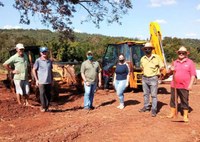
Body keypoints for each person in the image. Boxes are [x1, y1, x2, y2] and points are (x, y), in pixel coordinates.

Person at [167, 46, 196, 122]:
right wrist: (170, 69)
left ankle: (185, 115)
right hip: (174, 85)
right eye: (180, 53)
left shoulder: (190, 62)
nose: (181, 54)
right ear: (178, 53)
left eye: (183, 53)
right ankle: (172, 113)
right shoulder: (175, 62)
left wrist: (190, 85)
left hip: (185, 85)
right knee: (173, 100)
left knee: (184, 100)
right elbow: (169, 73)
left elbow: (193, 75)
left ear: (186, 54)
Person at [139, 42, 164, 117]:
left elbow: (161, 67)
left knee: (153, 95)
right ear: (144, 50)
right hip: (145, 78)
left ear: (151, 49)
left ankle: (154, 110)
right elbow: (141, 67)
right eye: (146, 49)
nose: (147, 50)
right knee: (145, 94)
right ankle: (146, 107)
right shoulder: (142, 58)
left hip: (153, 78)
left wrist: (160, 76)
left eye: (149, 48)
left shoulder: (157, 57)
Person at [32, 47, 53, 112]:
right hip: (41, 81)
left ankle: (47, 107)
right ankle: (43, 107)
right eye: (43, 52)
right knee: (42, 93)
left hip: (49, 81)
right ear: (40, 53)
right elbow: (34, 69)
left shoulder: (49, 61)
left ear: (47, 52)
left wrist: (52, 79)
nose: (44, 53)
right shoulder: (38, 61)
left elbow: (51, 70)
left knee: (48, 94)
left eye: (45, 52)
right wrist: (36, 80)